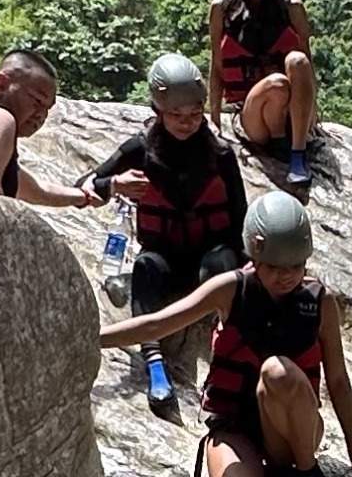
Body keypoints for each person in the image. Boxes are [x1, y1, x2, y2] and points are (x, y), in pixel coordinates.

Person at [100, 192, 352, 477]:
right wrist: (95, 337)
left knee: (277, 371)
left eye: (296, 266)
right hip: (234, 425)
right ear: (255, 253)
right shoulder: (230, 290)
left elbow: (337, 379)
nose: (287, 276)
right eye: (275, 267)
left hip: (292, 432)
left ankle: (305, 473)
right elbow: (157, 324)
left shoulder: (320, 302)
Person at [84, 52, 251, 416]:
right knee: (145, 267)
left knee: (224, 261)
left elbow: (240, 214)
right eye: (176, 115)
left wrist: (251, 263)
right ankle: (156, 368)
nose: (187, 123)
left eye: (194, 115)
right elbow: (86, 186)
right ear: (159, 110)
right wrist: (115, 183)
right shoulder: (140, 149)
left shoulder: (219, 153)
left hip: (210, 257)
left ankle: (230, 361)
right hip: (164, 257)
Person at [208, 0, 322, 186]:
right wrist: (214, 122)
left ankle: (296, 154)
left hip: (289, 115)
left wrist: (312, 116)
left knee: (296, 60)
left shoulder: (291, 8)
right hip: (252, 115)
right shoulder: (221, 9)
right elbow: (217, 66)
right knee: (277, 85)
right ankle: (283, 146)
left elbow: (306, 66)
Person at [0, 49, 94, 205]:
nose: (41, 115)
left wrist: (84, 196)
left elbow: (39, 192)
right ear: (2, 84)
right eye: (37, 101)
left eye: (47, 109)